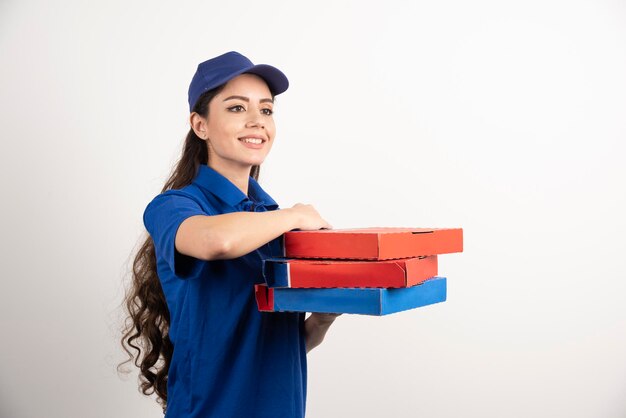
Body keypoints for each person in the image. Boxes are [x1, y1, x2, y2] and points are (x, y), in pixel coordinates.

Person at [121, 51, 340, 418]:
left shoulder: (270, 217)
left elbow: (279, 345)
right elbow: (216, 242)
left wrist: (321, 320)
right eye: (237, 108)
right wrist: (294, 215)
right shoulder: (174, 207)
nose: (257, 121)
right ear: (200, 125)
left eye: (266, 110)